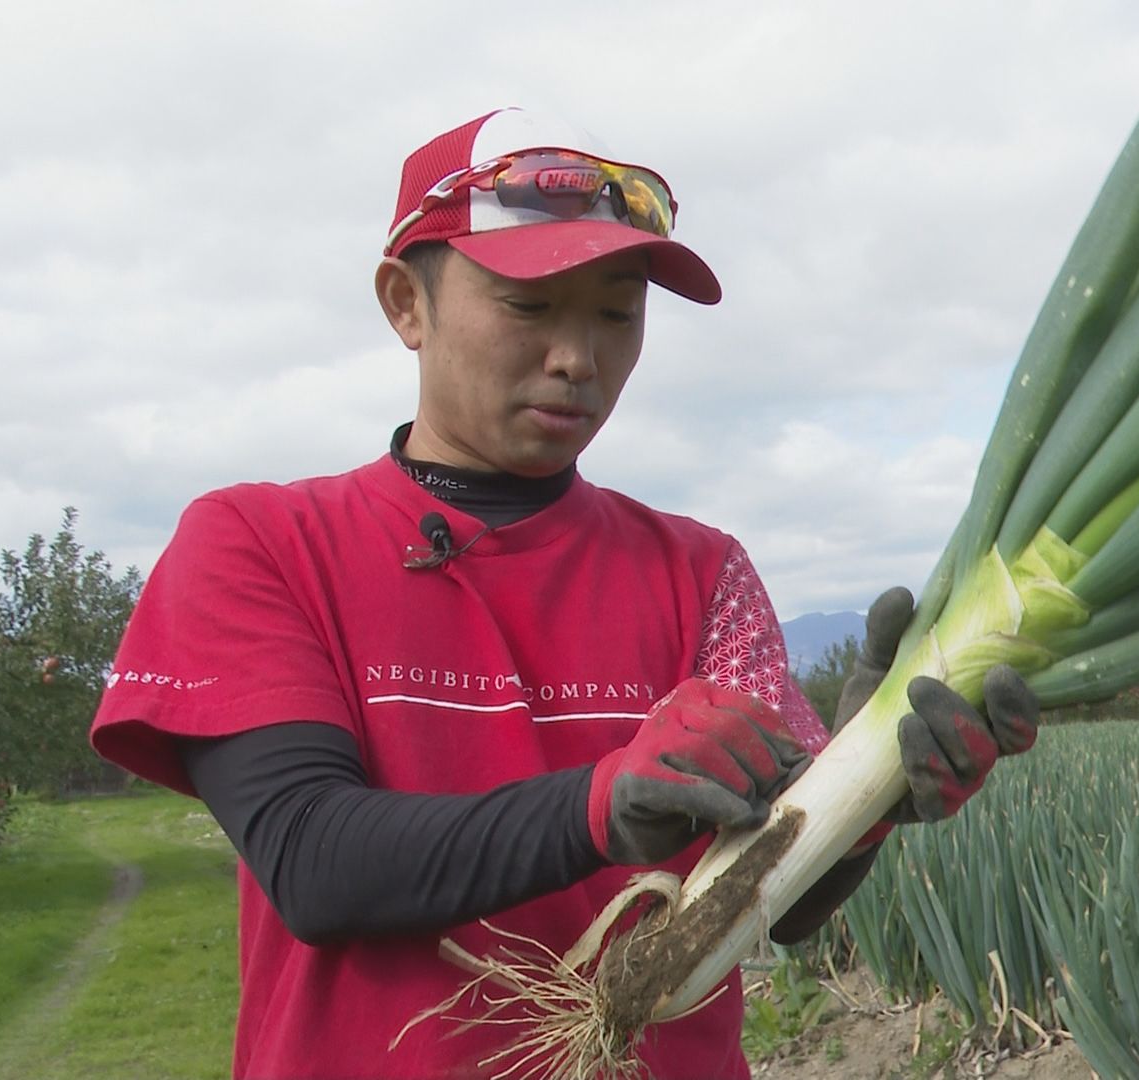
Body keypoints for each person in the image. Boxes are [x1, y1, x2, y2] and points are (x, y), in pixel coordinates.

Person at [88, 105, 1038, 1080]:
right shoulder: (262, 543)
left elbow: (775, 905)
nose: (578, 358)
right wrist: (599, 806)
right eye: (530, 306)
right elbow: (312, 860)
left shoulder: (702, 573)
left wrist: (863, 793)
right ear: (405, 304)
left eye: (616, 314)